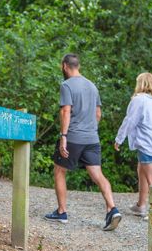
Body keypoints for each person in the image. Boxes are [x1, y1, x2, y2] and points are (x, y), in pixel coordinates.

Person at [45, 53, 121, 231]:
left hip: (73, 137)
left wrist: (64, 137)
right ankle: (112, 208)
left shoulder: (66, 85)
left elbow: (65, 111)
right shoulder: (92, 86)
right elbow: (98, 114)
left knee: (59, 170)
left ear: (64, 66)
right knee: (97, 174)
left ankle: (62, 212)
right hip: (92, 138)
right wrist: (90, 130)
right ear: (77, 65)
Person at [114, 72, 152, 217]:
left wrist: (119, 138)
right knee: (142, 171)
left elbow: (130, 121)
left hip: (147, 143)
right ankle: (141, 205)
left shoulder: (140, 100)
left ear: (140, 84)